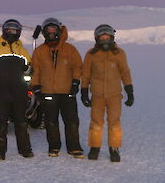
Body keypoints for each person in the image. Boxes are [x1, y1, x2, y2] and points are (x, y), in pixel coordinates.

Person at [31, 18, 84, 158]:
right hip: (48, 93)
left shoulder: (70, 49)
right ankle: (54, 147)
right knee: (51, 122)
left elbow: (77, 67)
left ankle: (74, 147)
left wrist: (75, 83)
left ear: (59, 31)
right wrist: (36, 87)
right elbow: (35, 71)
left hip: (67, 92)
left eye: (54, 29)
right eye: (48, 30)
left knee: (72, 121)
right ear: (44, 32)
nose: (51, 32)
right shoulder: (39, 52)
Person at [81, 24, 134, 162]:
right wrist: (84, 91)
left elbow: (125, 72)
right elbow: (86, 74)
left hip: (114, 95)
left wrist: (129, 90)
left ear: (111, 38)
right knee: (96, 122)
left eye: (107, 37)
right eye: (102, 37)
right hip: (97, 95)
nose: (104, 40)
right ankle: (95, 147)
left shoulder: (119, 53)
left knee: (114, 122)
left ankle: (114, 148)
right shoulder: (91, 54)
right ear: (97, 38)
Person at [0, 19, 34, 161]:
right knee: (1, 123)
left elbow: (28, 67)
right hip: (1, 92)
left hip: (19, 92)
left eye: (15, 30)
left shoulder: (23, 51)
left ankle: (25, 149)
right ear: (5, 31)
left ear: (19, 32)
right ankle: (0, 152)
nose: (12, 33)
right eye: (9, 30)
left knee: (21, 122)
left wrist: (29, 73)